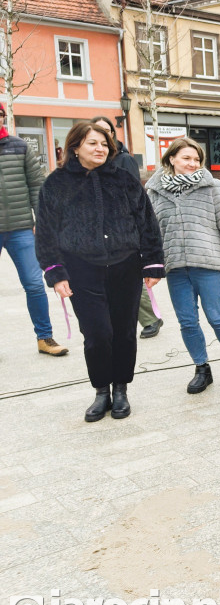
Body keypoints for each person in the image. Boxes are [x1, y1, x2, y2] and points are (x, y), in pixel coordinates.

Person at [35, 122, 164, 421]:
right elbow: (45, 233)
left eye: (104, 144)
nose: (100, 149)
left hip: (125, 267)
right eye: (92, 143)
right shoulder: (56, 184)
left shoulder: (125, 180)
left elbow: (147, 222)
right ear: (75, 147)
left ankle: (121, 390)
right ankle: (101, 391)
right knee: (96, 334)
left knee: (123, 333)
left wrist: (152, 261)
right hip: (81, 270)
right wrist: (56, 273)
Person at [146, 137, 220, 394]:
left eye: (196, 159)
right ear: (171, 159)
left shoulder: (213, 187)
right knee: (187, 321)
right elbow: (150, 232)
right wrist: (150, 266)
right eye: (186, 158)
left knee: (216, 316)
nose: (192, 164)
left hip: (208, 262)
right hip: (175, 266)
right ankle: (202, 368)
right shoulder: (154, 191)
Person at [0, 103, 68, 357]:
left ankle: (45, 338)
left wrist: (42, 220)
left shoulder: (19, 146)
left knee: (34, 284)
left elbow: (36, 186)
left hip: (20, 229)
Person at [91, 115, 162, 340]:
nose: (103, 136)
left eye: (107, 131)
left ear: (113, 134)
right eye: (97, 131)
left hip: (122, 226)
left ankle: (150, 318)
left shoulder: (124, 160)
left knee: (127, 275)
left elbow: (134, 195)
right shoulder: (92, 160)